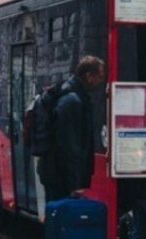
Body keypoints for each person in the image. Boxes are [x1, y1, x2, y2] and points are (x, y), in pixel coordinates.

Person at [38, 55, 106, 204]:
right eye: (100, 77)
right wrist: (74, 185)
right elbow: (70, 146)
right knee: (62, 221)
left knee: (58, 219)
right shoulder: (72, 101)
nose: (102, 81)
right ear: (89, 76)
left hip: (56, 174)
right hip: (60, 178)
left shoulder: (72, 95)